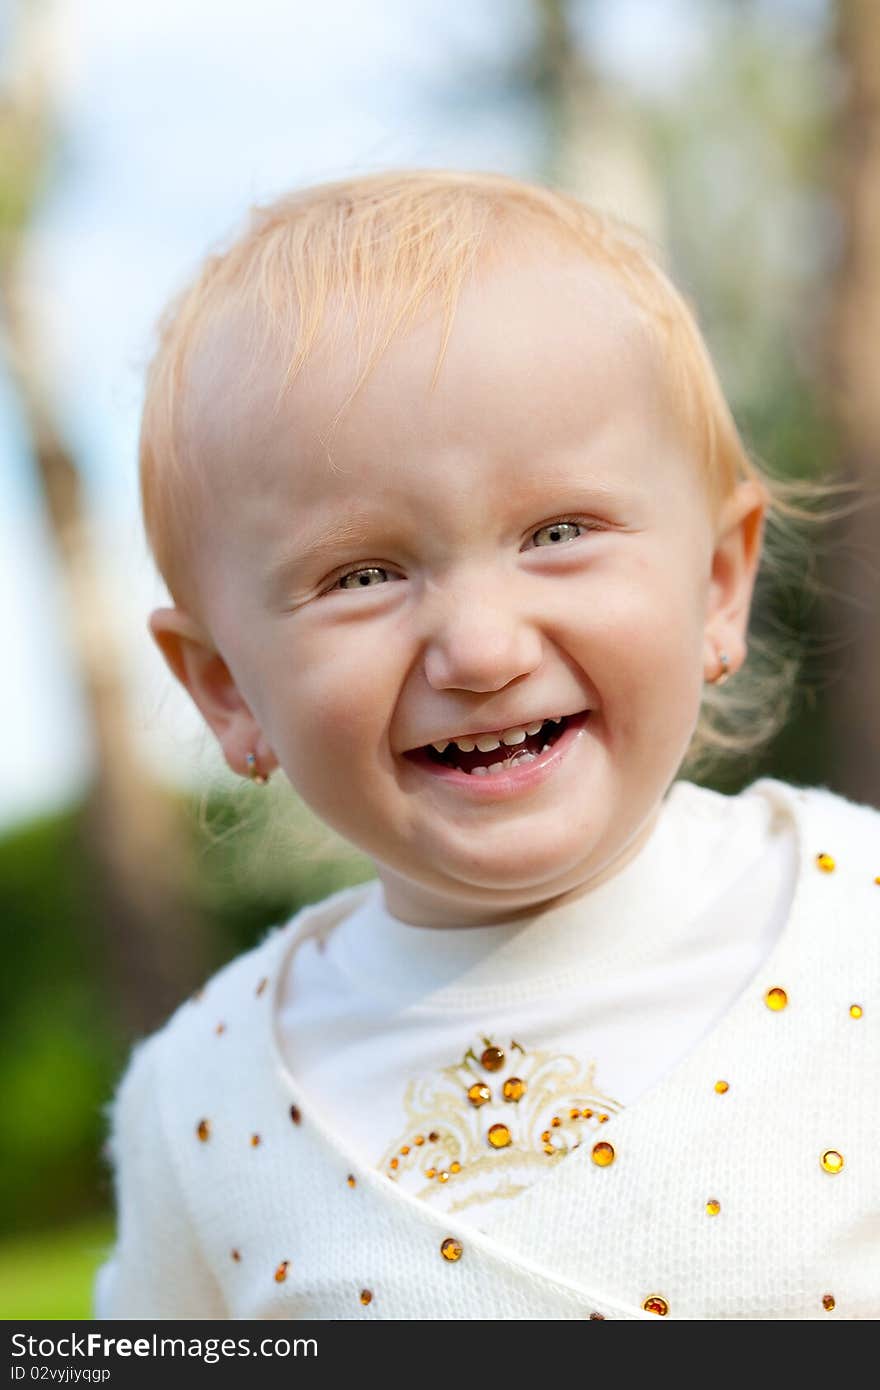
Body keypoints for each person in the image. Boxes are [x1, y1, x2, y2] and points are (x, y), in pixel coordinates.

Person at [95, 168, 879, 1321]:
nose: (477, 647)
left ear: (717, 582)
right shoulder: (204, 1102)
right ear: (226, 687)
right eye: (361, 576)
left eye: (558, 532)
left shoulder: (853, 916)